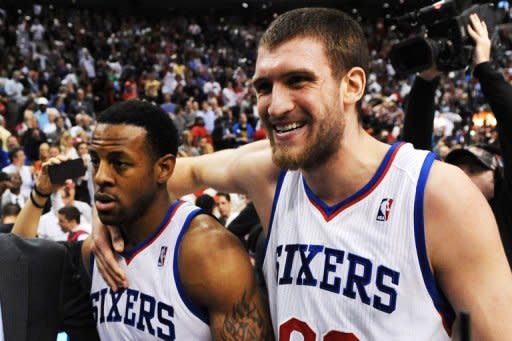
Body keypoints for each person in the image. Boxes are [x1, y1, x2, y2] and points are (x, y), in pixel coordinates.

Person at [94, 8, 512, 340]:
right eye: (263, 87)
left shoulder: (438, 195)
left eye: (298, 81)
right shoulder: (270, 174)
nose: (275, 105)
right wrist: (103, 218)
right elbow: (161, 175)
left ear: (352, 86)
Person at [14, 100, 272, 340]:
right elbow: (18, 267)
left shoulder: (209, 253)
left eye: (119, 163)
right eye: (96, 161)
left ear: (163, 169)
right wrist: (40, 194)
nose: (101, 176)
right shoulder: (96, 250)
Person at [404, 14, 512, 267]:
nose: (464, 176)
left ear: (497, 179)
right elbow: (413, 155)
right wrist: (426, 79)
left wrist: (484, 67)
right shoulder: (441, 212)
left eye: (475, 169)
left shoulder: (505, 211)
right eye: (458, 169)